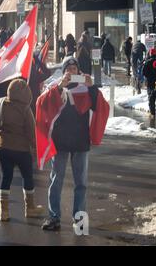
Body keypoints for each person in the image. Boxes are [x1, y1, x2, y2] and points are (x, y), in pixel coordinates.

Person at [36, 57, 109, 231]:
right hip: (60, 142)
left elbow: (101, 107)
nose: (71, 71)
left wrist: (92, 87)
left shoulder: (86, 87)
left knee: (81, 183)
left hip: (80, 142)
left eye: (74, 68)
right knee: (56, 181)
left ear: (79, 71)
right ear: (63, 71)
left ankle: (80, 220)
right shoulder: (55, 87)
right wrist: (60, 86)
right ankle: (54, 217)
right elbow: (42, 104)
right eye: (68, 68)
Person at [0, 79, 44, 222]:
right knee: (27, 177)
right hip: (21, 149)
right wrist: (37, 150)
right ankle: (30, 208)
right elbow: (32, 133)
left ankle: (4, 212)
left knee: (5, 177)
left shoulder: (0, 103)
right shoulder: (25, 109)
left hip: (2, 147)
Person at [142, 48, 156, 118]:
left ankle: (153, 114)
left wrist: (149, 76)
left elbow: (144, 73)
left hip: (151, 83)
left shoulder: (147, 62)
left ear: (150, 54)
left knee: (151, 98)